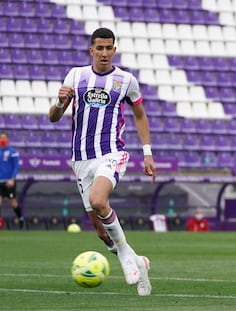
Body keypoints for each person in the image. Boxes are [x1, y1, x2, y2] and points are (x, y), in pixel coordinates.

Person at [48, 28, 156, 296]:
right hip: (81, 159)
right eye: (100, 48)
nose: (105, 53)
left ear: (114, 50)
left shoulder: (126, 80)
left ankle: (123, 258)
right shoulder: (76, 75)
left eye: (109, 48)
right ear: (91, 50)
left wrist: (147, 151)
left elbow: (140, 115)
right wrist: (61, 103)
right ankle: (136, 260)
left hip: (111, 153)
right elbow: (53, 116)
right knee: (100, 230)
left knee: (99, 200)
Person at [0, 131, 24, 229]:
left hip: (9, 181)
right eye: (1, 138)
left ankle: (21, 218)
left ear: (8, 139)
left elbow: (15, 167)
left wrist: (12, 178)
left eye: (4, 138)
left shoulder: (13, 152)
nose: (3, 140)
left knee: (12, 202)